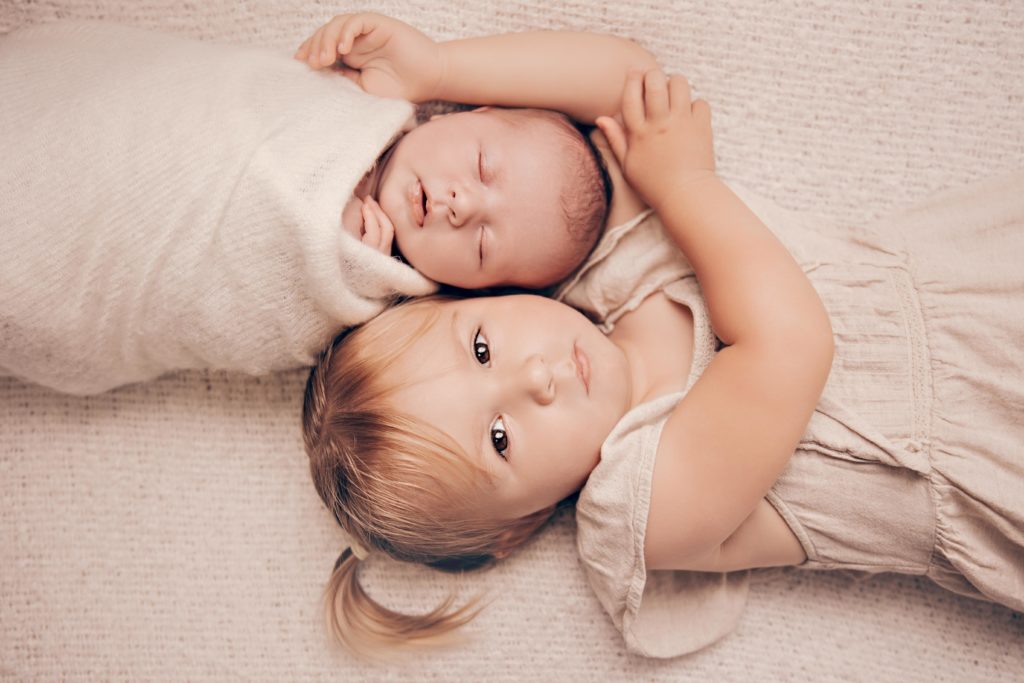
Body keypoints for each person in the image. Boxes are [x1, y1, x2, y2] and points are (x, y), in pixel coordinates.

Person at [301, 68, 1024, 657]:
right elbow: (790, 346)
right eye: (500, 437)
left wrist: (430, 70)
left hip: (975, 271)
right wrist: (685, 186)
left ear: (474, 293)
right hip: (991, 460)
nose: (536, 377)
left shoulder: (609, 270)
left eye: (483, 346)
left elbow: (624, 88)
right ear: (516, 525)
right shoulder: (636, 504)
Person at [0, 14, 653, 394]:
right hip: (109, 123)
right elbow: (632, 81)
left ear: (466, 292)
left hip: (78, 263)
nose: (460, 203)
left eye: (482, 244)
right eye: (483, 164)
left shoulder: (375, 304)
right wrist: (438, 68)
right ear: (473, 112)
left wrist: (334, 258)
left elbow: (256, 314)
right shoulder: (379, 100)